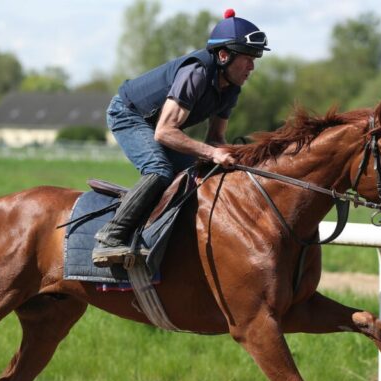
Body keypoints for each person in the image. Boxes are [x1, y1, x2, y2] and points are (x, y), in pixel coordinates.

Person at [92, 8, 270, 267]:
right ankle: (111, 236)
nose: (252, 67)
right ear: (223, 55)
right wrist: (212, 153)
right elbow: (165, 132)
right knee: (159, 170)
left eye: (255, 59)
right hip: (128, 114)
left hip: (159, 125)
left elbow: (215, 137)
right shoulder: (196, 72)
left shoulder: (231, 88)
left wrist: (241, 156)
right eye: (247, 59)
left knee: (201, 173)